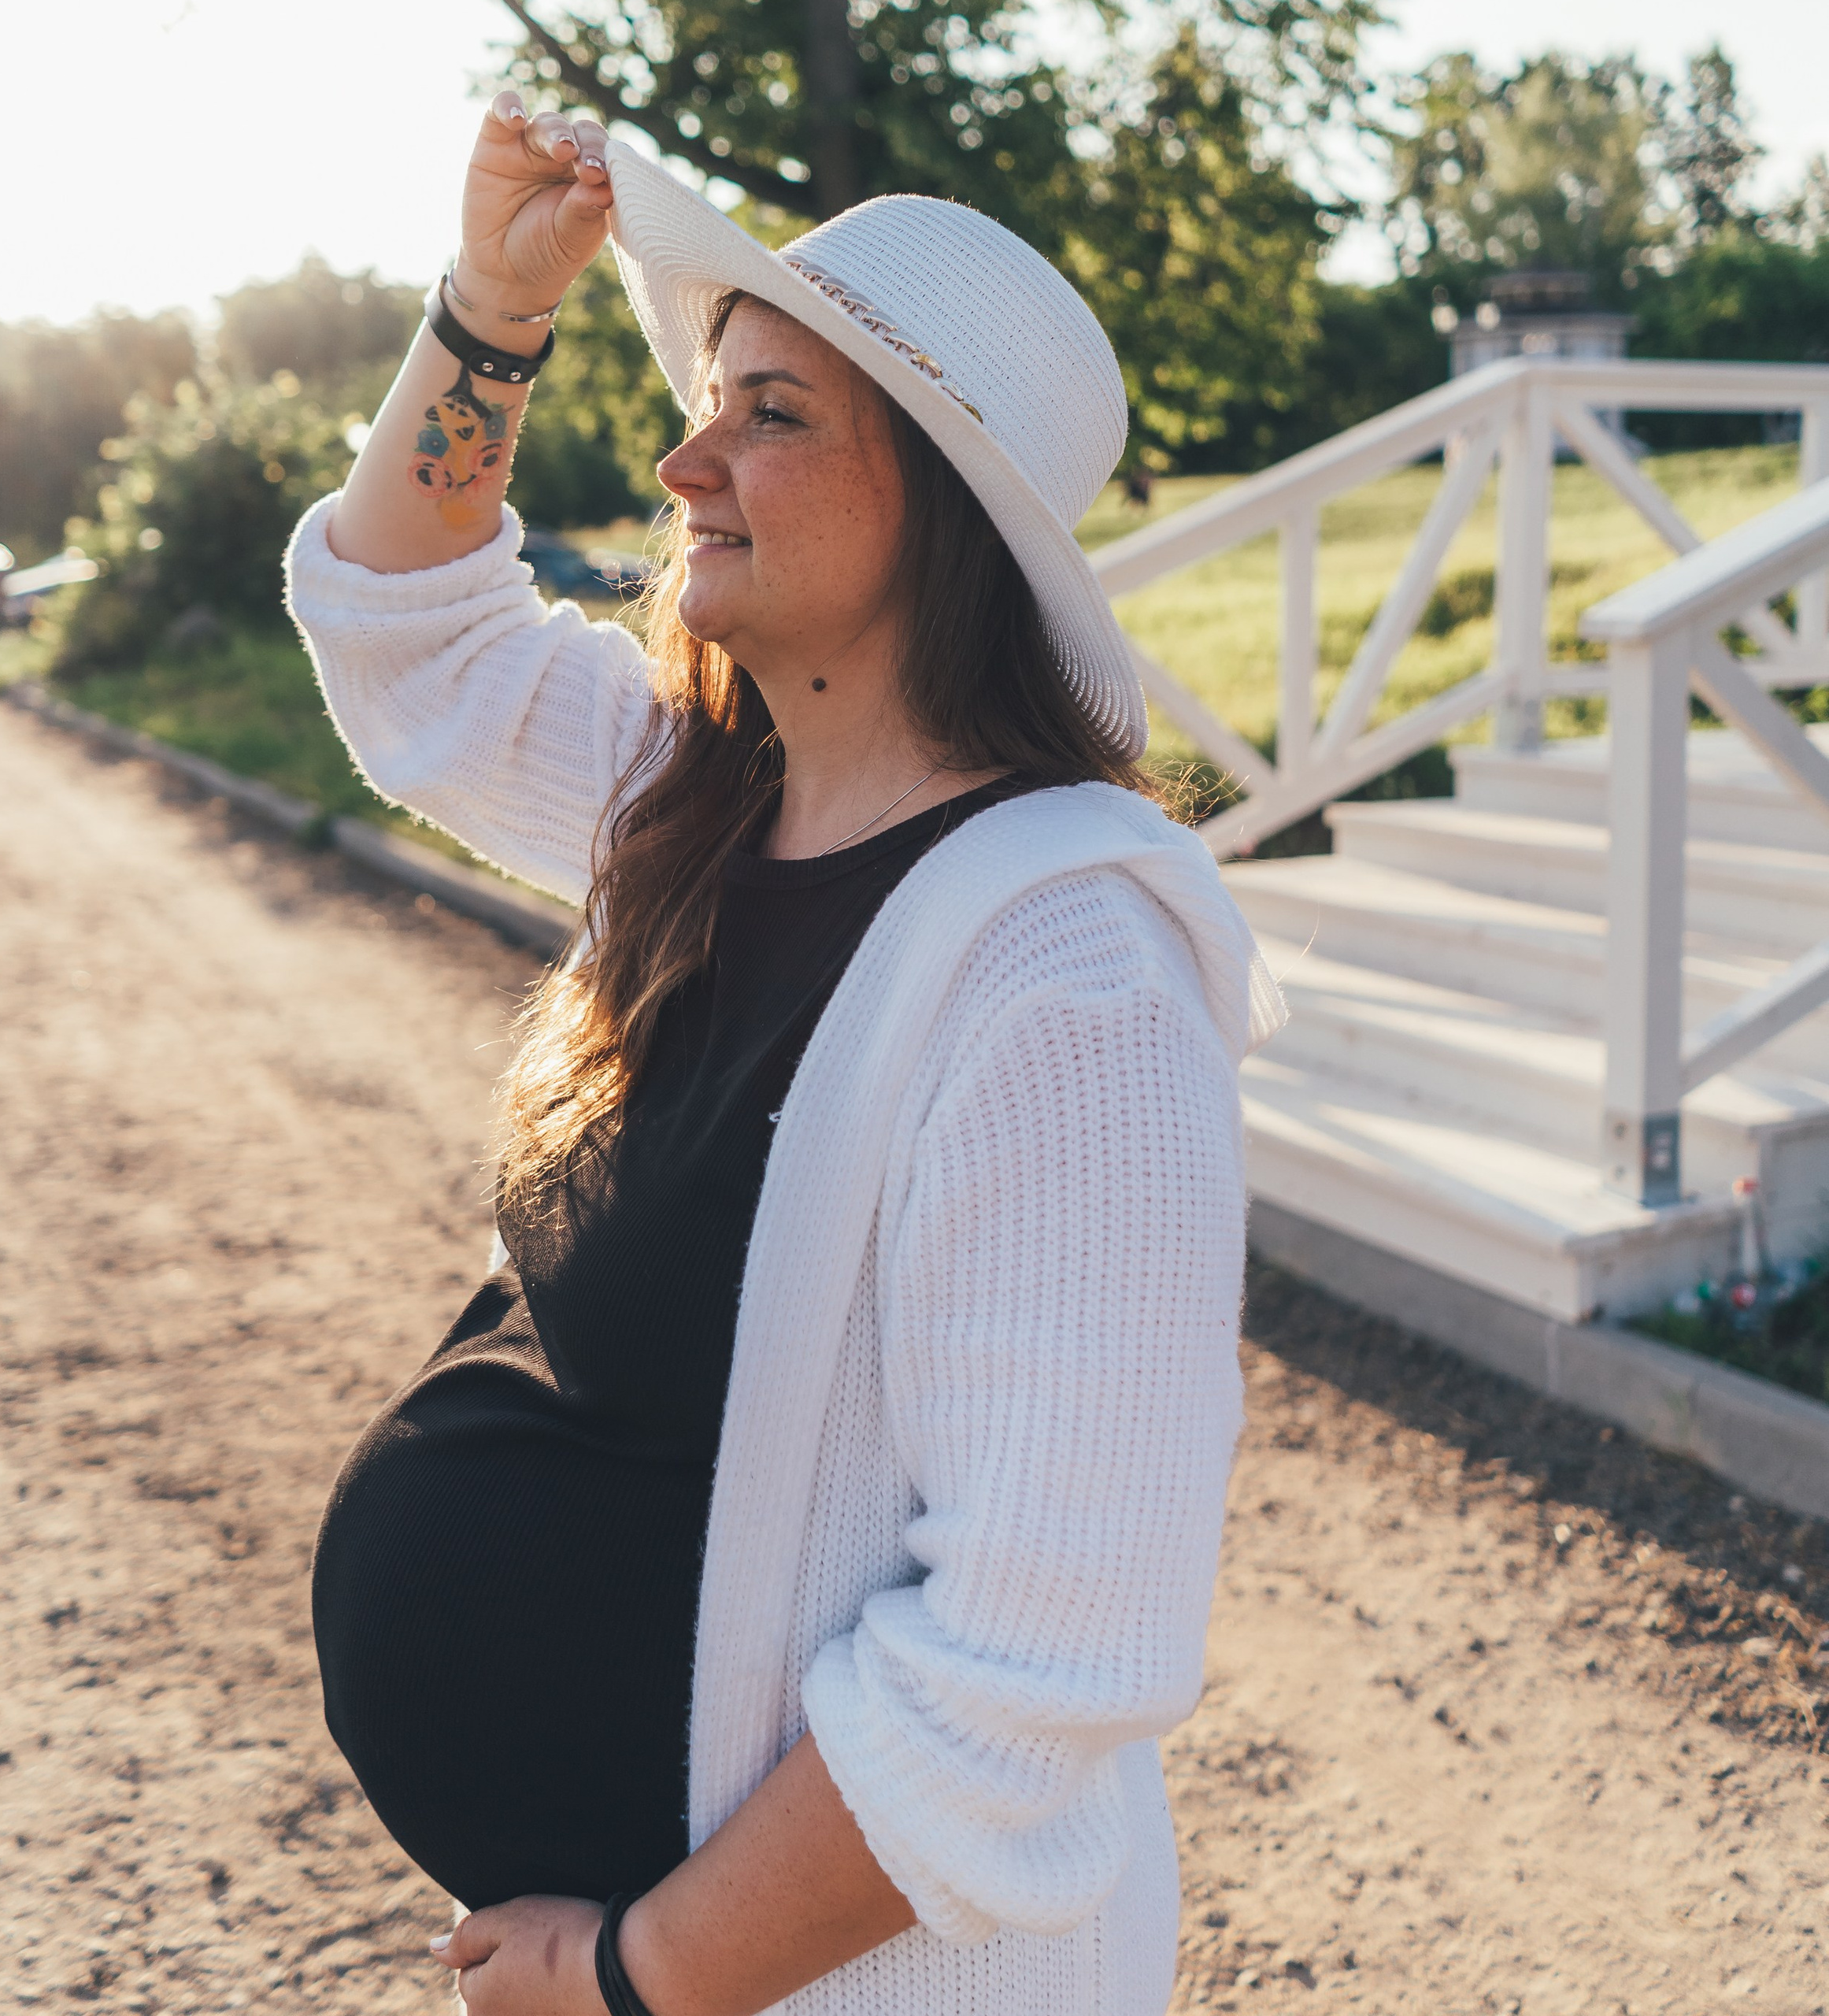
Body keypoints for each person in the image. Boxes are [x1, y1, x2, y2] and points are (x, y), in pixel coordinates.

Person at [285, 87, 1283, 2016]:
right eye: (707, 397)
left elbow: (1038, 1649)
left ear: (949, 509)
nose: (679, 463)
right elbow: (408, 637)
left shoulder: (1069, 974)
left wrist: (645, 1972)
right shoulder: (704, 800)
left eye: (770, 414)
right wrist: (493, 310)